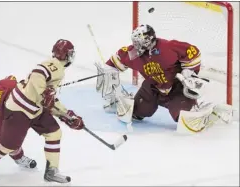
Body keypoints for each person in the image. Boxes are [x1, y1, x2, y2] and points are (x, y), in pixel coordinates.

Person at [0, 39, 85, 184]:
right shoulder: (54, 66)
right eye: (70, 53)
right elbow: (38, 73)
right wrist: (44, 93)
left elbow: (47, 98)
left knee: (54, 132)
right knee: (8, 145)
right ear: (66, 55)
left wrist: (67, 115)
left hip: (34, 108)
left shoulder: (57, 67)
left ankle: (52, 170)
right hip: (19, 109)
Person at [95, 24, 233, 133]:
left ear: (149, 40)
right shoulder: (133, 53)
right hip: (152, 88)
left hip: (176, 87)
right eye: (134, 42)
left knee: (183, 119)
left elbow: (193, 52)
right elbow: (115, 62)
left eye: (139, 42)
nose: (136, 46)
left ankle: (209, 111)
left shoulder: (169, 47)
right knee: (135, 113)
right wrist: (107, 73)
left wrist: (188, 72)